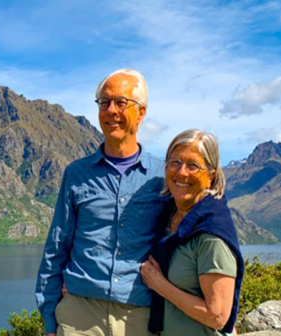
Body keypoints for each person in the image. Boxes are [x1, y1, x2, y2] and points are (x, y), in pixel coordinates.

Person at [35, 69, 167, 336]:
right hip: (79, 316)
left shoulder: (162, 176)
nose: (111, 111)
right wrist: (50, 319)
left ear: (141, 112)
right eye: (104, 103)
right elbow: (56, 247)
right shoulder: (76, 174)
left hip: (139, 316)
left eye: (121, 102)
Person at [139, 129, 245, 336]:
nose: (181, 172)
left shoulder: (211, 235)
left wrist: (160, 285)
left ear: (211, 176)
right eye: (175, 162)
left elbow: (217, 316)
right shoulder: (168, 216)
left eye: (193, 166)